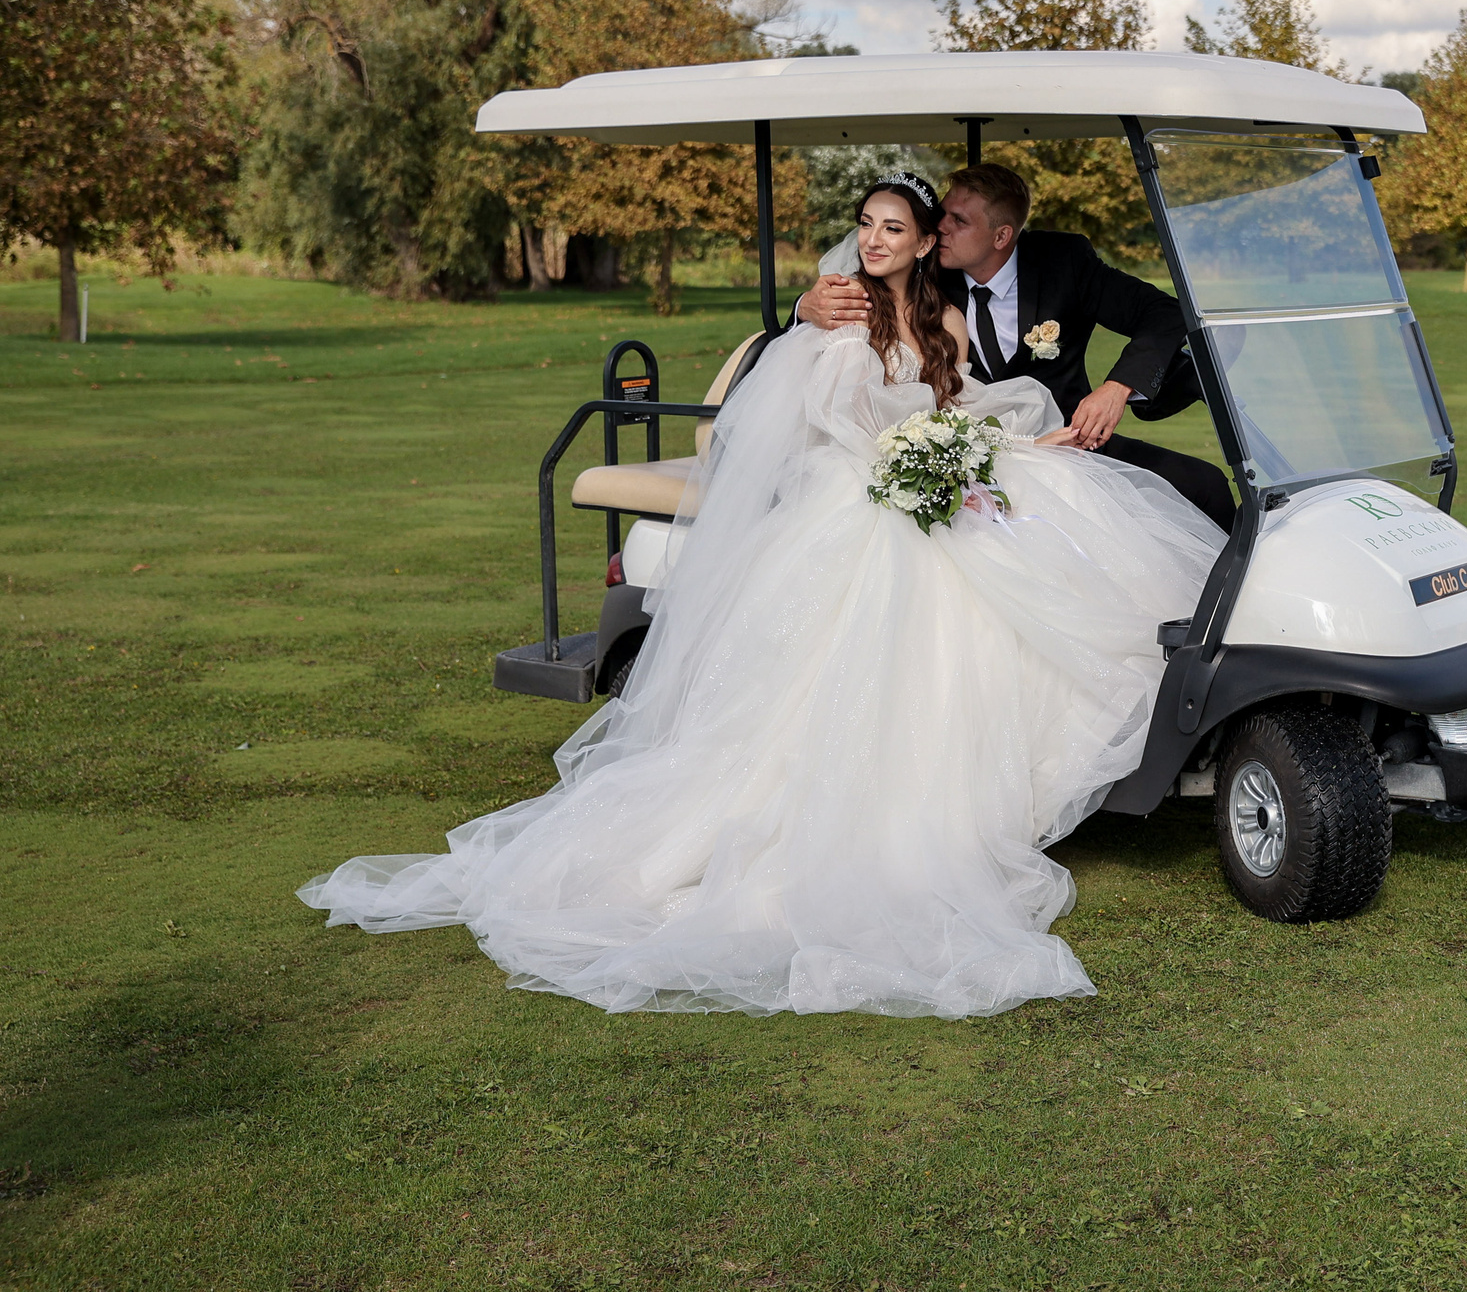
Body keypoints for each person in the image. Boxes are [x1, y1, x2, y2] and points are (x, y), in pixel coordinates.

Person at [299, 173, 1224, 1018]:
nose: (888, 238)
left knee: (1060, 537)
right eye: (873, 225)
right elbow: (823, 420)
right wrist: (901, 457)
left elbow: (967, 404)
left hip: (932, 475)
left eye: (904, 225)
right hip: (857, 492)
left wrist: (993, 450)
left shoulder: (956, 314)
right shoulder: (831, 317)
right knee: (920, 590)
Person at [797, 163, 1235, 531]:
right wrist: (805, 305)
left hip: (1067, 439)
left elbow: (1165, 313)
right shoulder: (925, 271)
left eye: (959, 221)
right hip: (974, 454)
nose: (940, 227)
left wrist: (1117, 387)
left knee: (1205, 483)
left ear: (1002, 236)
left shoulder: (1065, 263)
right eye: (941, 216)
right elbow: (845, 303)